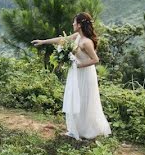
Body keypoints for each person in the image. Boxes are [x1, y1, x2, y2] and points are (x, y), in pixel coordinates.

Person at [32, 12, 111, 140]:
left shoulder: (86, 42)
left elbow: (95, 59)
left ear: (79, 25)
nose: (73, 24)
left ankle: (86, 130)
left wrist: (78, 65)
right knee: (75, 98)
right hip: (76, 73)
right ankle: (75, 129)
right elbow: (62, 40)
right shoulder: (77, 36)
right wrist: (43, 42)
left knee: (84, 100)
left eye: (74, 22)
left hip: (85, 73)